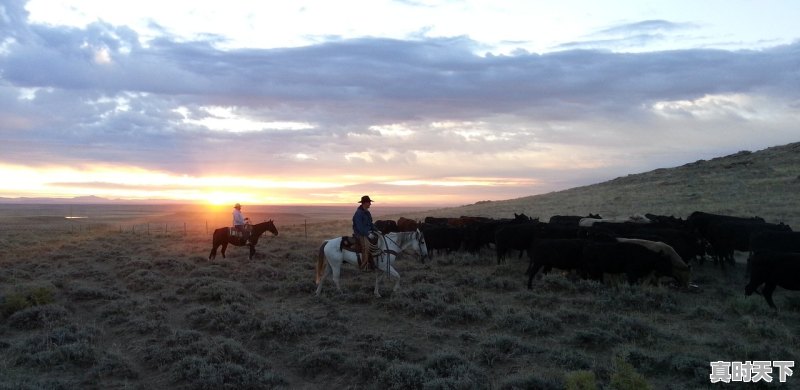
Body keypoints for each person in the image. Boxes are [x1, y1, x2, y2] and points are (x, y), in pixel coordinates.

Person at [352, 195, 376, 271]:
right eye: (369, 202)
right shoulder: (359, 213)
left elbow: (371, 223)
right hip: (360, 234)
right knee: (366, 247)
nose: (370, 204)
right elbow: (359, 227)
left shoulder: (367, 213)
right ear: (365, 203)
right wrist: (368, 234)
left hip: (368, 232)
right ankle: (364, 266)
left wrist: (377, 230)